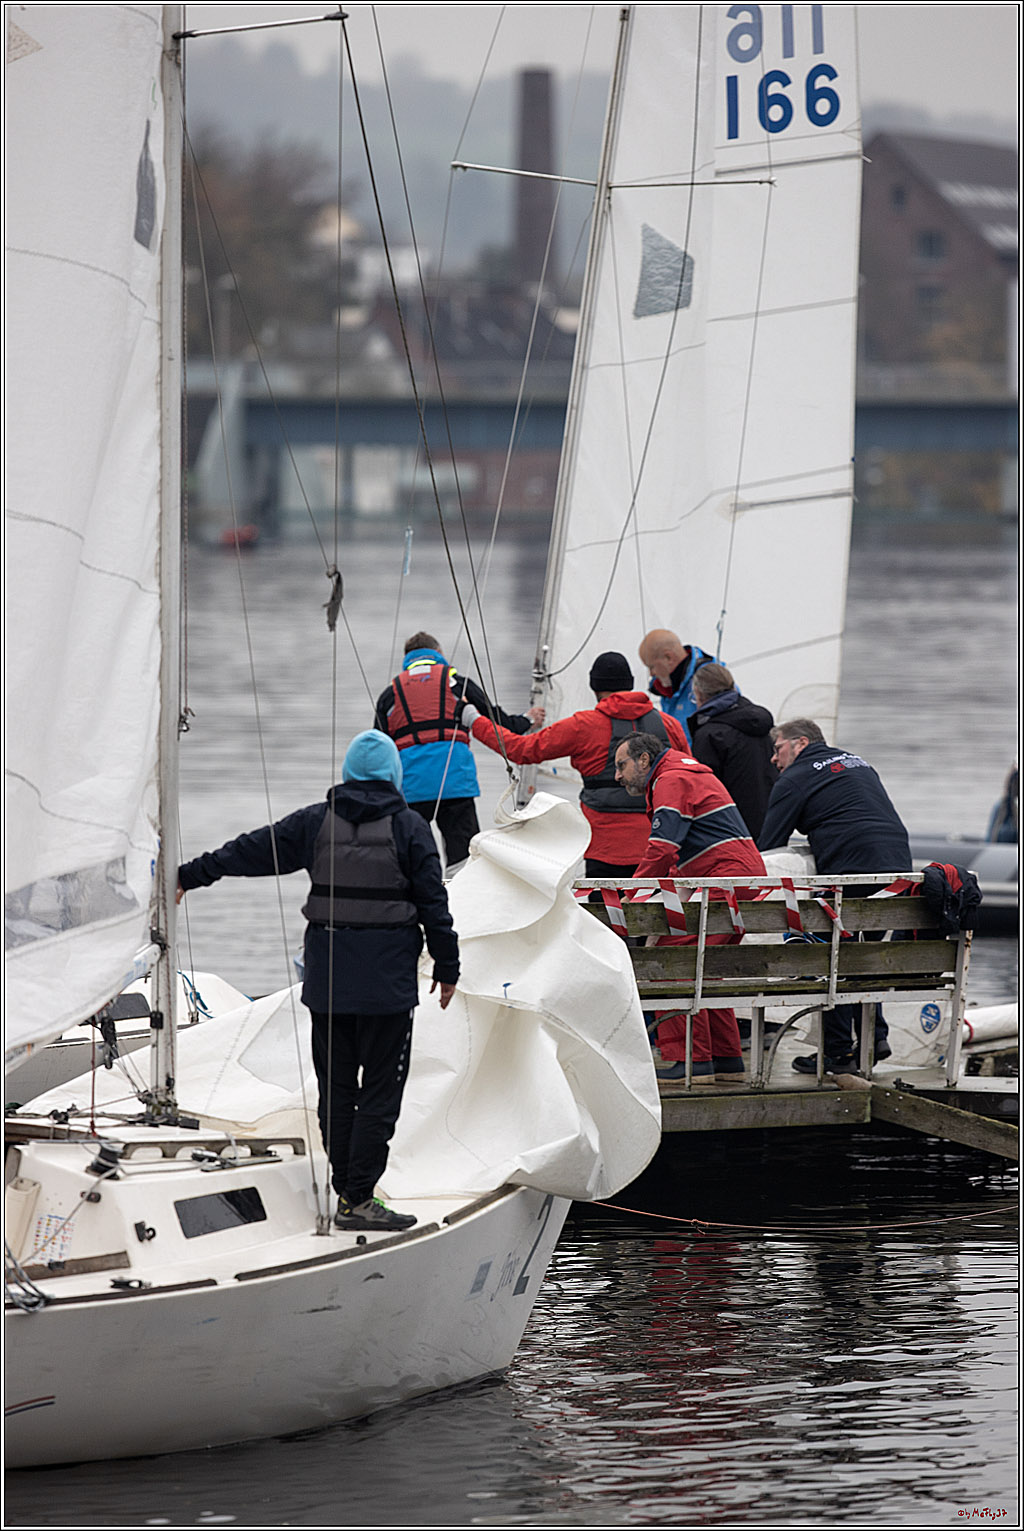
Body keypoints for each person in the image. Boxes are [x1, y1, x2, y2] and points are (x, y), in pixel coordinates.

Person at [177, 730, 460, 1233]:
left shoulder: (316, 822)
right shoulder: (411, 829)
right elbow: (435, 905)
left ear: (350, 774)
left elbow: (249, 851)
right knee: (378, 1092)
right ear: (393, 776)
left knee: (335, 1089)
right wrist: (447, 967)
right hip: (387, 990)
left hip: (328, 982)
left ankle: (347, 1189)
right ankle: (357, 1197)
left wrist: (190, 875)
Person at [757, 718, 912, 1076]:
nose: (773, 759)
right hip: (898, 867)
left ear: (800, 743)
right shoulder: (856, 760)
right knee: (863, 956)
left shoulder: (794, 779)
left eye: (777, 748)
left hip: (853, 870)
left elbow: (768, 846)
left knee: (830, 954)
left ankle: (839, 1050)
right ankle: (875, 1038)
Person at [614, 731, 766, 1084]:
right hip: (738, 878)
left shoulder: (670, 780)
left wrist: (632, 894)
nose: (617, 776)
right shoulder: (690, 771)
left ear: (644, 760)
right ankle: (727, 1062)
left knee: (670, 964)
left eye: (622, 766)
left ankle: (691, 1061)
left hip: (724, 881)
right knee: (705, 970)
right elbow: (679, 857)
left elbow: (663, 847)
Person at [467, 651, 688, 875]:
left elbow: (520, 750)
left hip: (604, 851)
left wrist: (475, 721)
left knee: (603, 909)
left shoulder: (582, 726)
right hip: (660, 847)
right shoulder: (669, 725)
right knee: (656, 909)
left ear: (594, 688)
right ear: (630, 684)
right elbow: (690, 779)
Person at [373, 632, 540, 869]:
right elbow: (498, 722)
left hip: (411, 789)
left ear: (407, 659)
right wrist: (527, 720)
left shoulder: (391, 694)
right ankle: (460, 901)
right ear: (438, 654)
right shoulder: (457, 684)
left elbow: (379, 749)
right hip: (455, 786)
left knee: (411, 859)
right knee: (463, 861)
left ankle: (421, 899)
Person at [688, 663, 778, 839]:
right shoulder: (761, 720)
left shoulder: (709, 735)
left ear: (699, 694)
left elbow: (705, 790)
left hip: (733, 827)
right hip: (770, 820)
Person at [637, 629, 718, 744]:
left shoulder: (710, 681)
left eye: (652, 667)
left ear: (668, 657)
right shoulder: (667, 686)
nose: (651, 674)